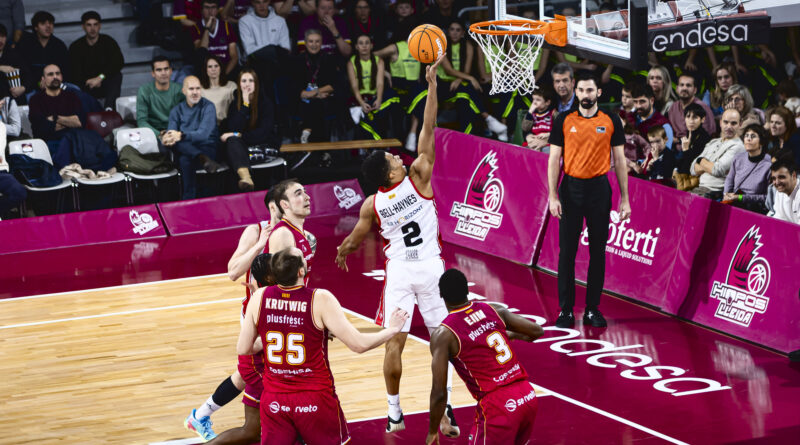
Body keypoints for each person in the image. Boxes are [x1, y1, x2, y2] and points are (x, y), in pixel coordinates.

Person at [335, 56, 459, 436]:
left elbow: (355, 239)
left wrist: (341, 251)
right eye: (392, 157)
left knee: (394, 343)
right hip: (432, 270)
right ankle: (449, 410)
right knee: (444, 344)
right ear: (390, 173)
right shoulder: (420, 175)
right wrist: (433, 86)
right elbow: (429, 125)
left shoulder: (372, 203)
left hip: (401, 273)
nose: (397, 155)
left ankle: (394, 413)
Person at [238, 247, 410, 445]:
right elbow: (359, 345)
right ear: (301, 271)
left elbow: (244, 349)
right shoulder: (320, 299)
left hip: (275, 399)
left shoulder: (259, 297)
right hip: (314, 398)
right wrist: (392, 329)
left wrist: (275, 332)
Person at [184, 191, 284, 443]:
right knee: (256, 370)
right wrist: (259, 245)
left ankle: (200, 415)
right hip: (256, 310)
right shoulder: (255, 231)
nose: (305, 199)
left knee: (245, 373)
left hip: (282, 309)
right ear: (275, 205)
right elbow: (232, 272)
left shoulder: (298, 236)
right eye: (295, 195)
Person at [547, 70, 630, 329]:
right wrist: (552, 195)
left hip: (599, 190)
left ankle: (593, 309)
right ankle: (566, 311)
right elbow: (553, 160)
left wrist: (625, 198)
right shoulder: (563, 119)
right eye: (581, 90)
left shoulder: (612, 120)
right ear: (576, 91)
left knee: (597, 252)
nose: (585, 95)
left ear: (598, 93)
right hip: (570, 190)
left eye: (590, 90)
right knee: (567, 253)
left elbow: (620, 161)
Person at [426, 268, 544, 445]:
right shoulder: (494, 309)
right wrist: (512, 335)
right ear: (467, 290)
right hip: (527, 396)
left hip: (498, 406)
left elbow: (439, 392)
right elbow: (536, 331)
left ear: (441, 295)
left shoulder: (444, 334)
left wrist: (433, 429)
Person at [407, 20, 507, 141]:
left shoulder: (468, 46)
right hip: (441, 84)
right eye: (452, 30)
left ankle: (469, 137)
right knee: (468, 87)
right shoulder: (440, 46)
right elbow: (449, 70)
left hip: (457, 84)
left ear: (462, 33)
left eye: (458, 30)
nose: (454, 33)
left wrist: (460, 79)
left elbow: (466, 70)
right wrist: (469, 78)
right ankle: (488, 118)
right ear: (448, 32)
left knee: (466, 99)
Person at [163, 75, 221, 199]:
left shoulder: (208, 107)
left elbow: (203, 135)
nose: (195, 92)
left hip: (207, 148)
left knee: (185, 158)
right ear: (183, 91)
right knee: (178, 146)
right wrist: (168, 137)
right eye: (191, 89)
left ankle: (188, 199)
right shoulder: (176, 110)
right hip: (202, 159)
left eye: (198, 88)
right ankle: (201, 157)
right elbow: (171, 135)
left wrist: (181, 135)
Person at [222, 69, 280, 191]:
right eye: (244, 81)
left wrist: (239, 135)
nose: (247, 84)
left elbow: (263, 133)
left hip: (264, 145)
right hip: (242, 148)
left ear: (256, 83)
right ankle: (246, 178)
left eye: (250, 81)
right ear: (239, 84)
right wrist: (245, 104)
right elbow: (233, 128)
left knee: (233, 144)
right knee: (231, 142)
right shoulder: (235, 103)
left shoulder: (266, 103)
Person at [346, 34, 399, 140]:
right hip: (359, 99)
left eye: (367, 43)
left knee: (394, 97)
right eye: (361, 43)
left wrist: (379, 99)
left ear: (371, 46)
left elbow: (380, 83)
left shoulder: (378, 60)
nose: (364, 46)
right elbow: (354, 86)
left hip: (374, 98)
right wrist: (361, 102)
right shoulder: (351, 62)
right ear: (356, 46)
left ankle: (389, 143)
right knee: (365, 115)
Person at [68, 11, 124, 108]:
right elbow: (74, 71)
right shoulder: (76, 46)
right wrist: (90, 81)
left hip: (104, 80)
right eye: (89, 25)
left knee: (116, 76)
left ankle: (109, 110)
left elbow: (118, 62)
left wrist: (99, 78)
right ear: (83, 27)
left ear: (100, 26)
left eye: (95, 24)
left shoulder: (108, 41)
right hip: (86, 84)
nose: (92, 28)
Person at [291, 28, 337, 144]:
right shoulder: (297, 60)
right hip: (303, 101)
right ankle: (322, 151)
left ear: (321, 43)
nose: (314, 45)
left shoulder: (329, 59)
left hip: (325, 100)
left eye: (317, 41)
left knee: (317, 104)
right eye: (311, 41)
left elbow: (334, 84)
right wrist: (313, 94)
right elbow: (294, 88)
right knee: (312, 104)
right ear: (305, 43)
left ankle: (307, 132)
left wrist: (313, 93)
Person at [688, 108, 744, 199]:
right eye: (726, 122)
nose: (729, 126)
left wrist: (700, 160)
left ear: (740, 124)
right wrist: (708, 166)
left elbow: (717, 170)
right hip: (697, 187)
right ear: (720, 123)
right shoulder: (713, 142)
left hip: (712, 191)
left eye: (733, 123)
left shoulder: (738, 147)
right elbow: (692, 169)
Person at [28, 64, 84, 143]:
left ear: (61, 77)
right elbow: (41, 129)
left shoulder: (71, 96)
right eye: (50, 74)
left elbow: (79, 122)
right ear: (43, 79)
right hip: (49, 143)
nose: (55, 77)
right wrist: (68, 122)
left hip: (73, 140)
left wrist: (55, 118)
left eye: (57, 74)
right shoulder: (35, 99)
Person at [722, 123, 772, 213]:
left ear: (761, 142)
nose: (748, 139)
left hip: (753, 208)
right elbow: (729, 179)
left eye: (753, 136)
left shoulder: (768, 165)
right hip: (734, 201)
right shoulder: (738, 158)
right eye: (746, 136)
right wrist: (726, 194)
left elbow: (767, 197)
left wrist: (740, 197)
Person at [136, 56, 185, 139]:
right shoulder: (144, 90)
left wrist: (174, 134)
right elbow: (142, 121)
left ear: (171, 71)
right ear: (153, 73)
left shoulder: (180, 90)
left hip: (175, 132)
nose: (163, 73)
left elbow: (186, 117)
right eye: (159, 70)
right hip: (153, 133)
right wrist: (160, 135)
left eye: (166, 69)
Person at [16, 11, 69, 83]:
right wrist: (38, 83)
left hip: (56, 84)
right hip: (32, 86)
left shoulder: (59, 45)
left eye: (50, 23)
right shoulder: (26, 45)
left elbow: (65, 71)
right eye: (43, 23)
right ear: (36, 27)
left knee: (75, 90)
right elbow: (23, 71)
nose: (48, 26)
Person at [667, 74, 716, 150]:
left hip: (697, 148)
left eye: (688, 85)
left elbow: (708, 135)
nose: (684, 88)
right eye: (682, 85)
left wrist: (680, 141)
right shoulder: (673, 107)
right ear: (677, 89)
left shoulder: (702, 107)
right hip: (675, 149)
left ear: (695, 90)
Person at [191, 0, 239, 76]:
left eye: (213, 7)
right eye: (207, 8)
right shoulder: (196, 27)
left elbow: (234, 57)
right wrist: (207, 28)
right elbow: (201, 52)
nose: (210, 11)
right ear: (202, 10)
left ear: (217, 10)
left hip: (225, 69)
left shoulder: (226, 26)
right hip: (205, 71)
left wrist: (224, 75)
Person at [674, 103, 712, 191]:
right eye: (688, 117)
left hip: (695, 181)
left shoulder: (705, 139)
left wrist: (686, 150)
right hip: (683, 179)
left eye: (695, 117)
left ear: (702, 119)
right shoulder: (688, 134)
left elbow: (691, 167)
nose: (691, 121)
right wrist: (675, 169)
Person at [631, 82, 674, 150]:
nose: (638, 106)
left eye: (642, 101)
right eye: (635, 102)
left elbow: (665, 155)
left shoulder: (664, 125)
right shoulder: (629, 119)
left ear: (651, 100)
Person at [199, 55, 237, 125]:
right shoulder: (200, 89)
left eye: (216, 66)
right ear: (205, 69)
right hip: (207, 127)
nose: (213, 69)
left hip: (227, 125)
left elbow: (240, 106)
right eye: (210, 67)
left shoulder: (231, 86)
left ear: (220, 68)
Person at [0, 24, 31, 105]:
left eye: (3, 36)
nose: (0, 40)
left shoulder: (14, 54)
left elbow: (28, 76)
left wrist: (23, 88)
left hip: (14, 97)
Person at [521, 85, 556, 152]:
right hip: (533, 141)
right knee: (522, 151)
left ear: (547, 102)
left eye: (538, 100)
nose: (534, 102)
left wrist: (549, 134)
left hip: (546, 142)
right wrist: (530, 112)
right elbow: (525, 128)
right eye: (533, 99)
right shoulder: (532, 114)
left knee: (548, 151)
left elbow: (558, 130)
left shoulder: (553, 113)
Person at [770, 158, 800, 224]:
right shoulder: (779, 192)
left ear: (793, 176)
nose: (777, 182)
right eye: (774, 178)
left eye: (781, 177)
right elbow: (779, 220)